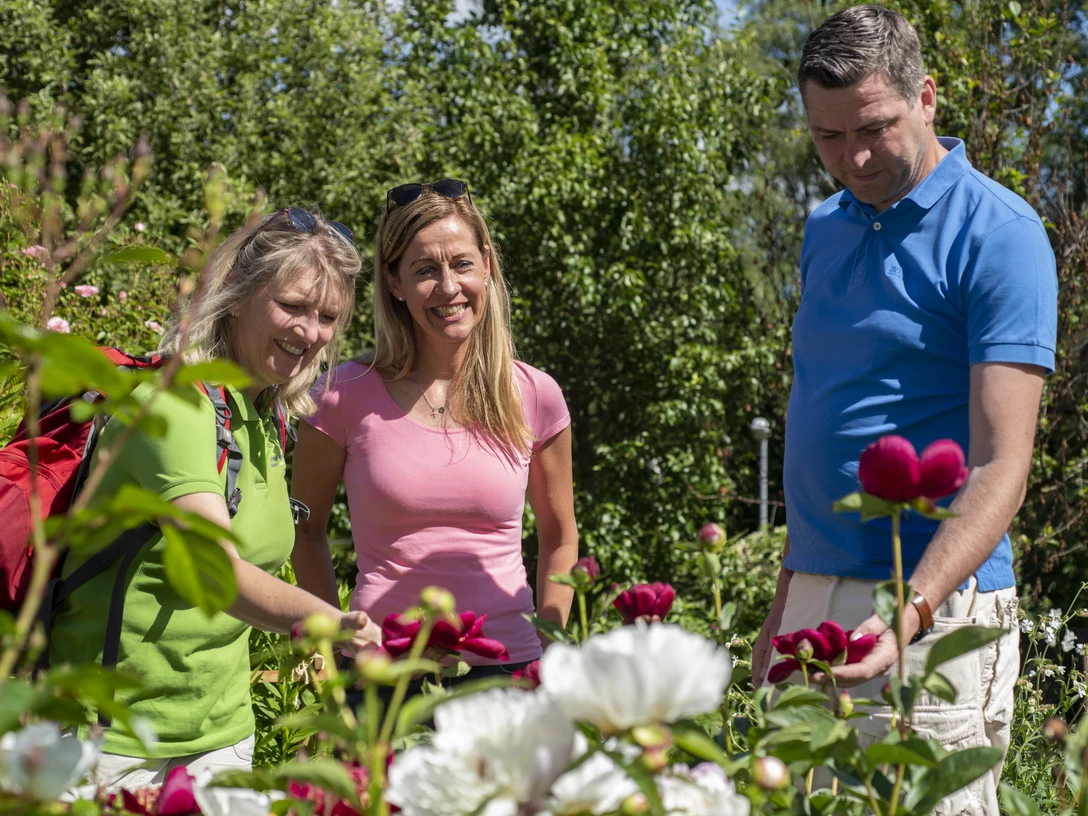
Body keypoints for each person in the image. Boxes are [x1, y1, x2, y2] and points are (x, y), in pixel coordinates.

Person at [750, 6, 1057, 813]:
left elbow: (1003, 464)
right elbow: (824, 418)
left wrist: (909, 613)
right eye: (826, 136)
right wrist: (786, 603)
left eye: (873, 129)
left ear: (926, 98)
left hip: (933, 605)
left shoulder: (1001, 233)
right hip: (814, 600)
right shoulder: (824, 227)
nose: (852, 158)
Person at [50, 207, 381, 789]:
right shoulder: (172, 406)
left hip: (221, 737)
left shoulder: (265, 416)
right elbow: (216, 576)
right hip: (114, 744)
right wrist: (333, 622)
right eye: (293, 306)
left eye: (328, 316)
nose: (310, 332)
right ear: (237, 295)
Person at [291, 179, 579, 689]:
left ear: (487, 266)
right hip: (382, 677)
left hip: (508, 676)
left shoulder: (536, 395)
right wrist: (335, 643)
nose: (448, 287)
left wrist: (549, 648)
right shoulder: (341, 396)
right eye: (425, 270)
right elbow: (304, 531)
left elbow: (559, 536)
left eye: (462, 264)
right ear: (394, 282)